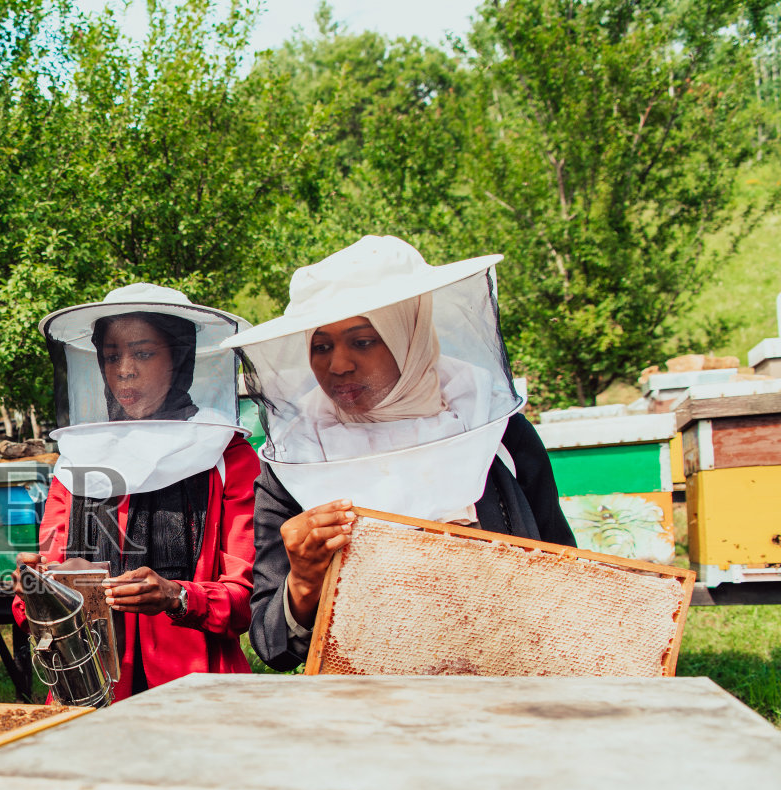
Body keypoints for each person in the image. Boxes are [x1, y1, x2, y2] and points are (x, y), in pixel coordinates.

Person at [229, 236, 574, 671]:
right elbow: (272, 646)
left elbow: (569, 575)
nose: (338, 365)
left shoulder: (497, 432)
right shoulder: (294, 461)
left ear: (408, 335)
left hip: (507, 683)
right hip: (370, 701)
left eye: (362, 341)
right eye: (321, 346)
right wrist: (303, 580)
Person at [15, 283, 260, 700]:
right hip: (88, 691)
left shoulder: (227, 456)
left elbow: (248, 600)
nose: (124, 370)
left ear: (180, 360)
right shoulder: (78, 459)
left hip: (198, 695)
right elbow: (41, 595)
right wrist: (36, 589)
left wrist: (178, 596)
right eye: (112, 356)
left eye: (143, 354)